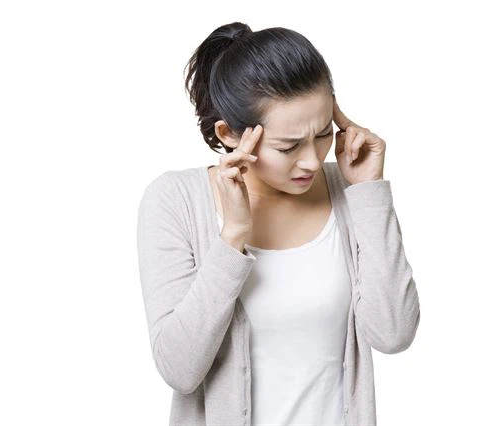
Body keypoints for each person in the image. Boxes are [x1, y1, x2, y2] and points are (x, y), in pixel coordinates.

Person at [136, 21, 421, 426]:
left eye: (322, 134)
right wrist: (232, 237)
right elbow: (179, 369)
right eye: (288, 147)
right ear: (229, 134)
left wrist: (369, 191)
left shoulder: (350, 189)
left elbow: (394, 334)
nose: (311, 160)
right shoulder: (176, 200)